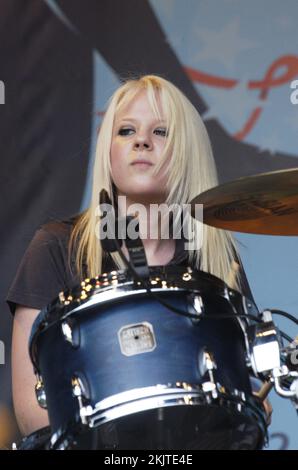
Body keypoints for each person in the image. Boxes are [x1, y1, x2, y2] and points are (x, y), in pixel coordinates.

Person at [7, 75, 267, 441]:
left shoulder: (216, 260)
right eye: (126, 130)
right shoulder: (54, 248)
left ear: (187, 151)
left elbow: (250, 392)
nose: (142, 141)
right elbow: (32, 413)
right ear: (107, 150)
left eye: (161, 132)